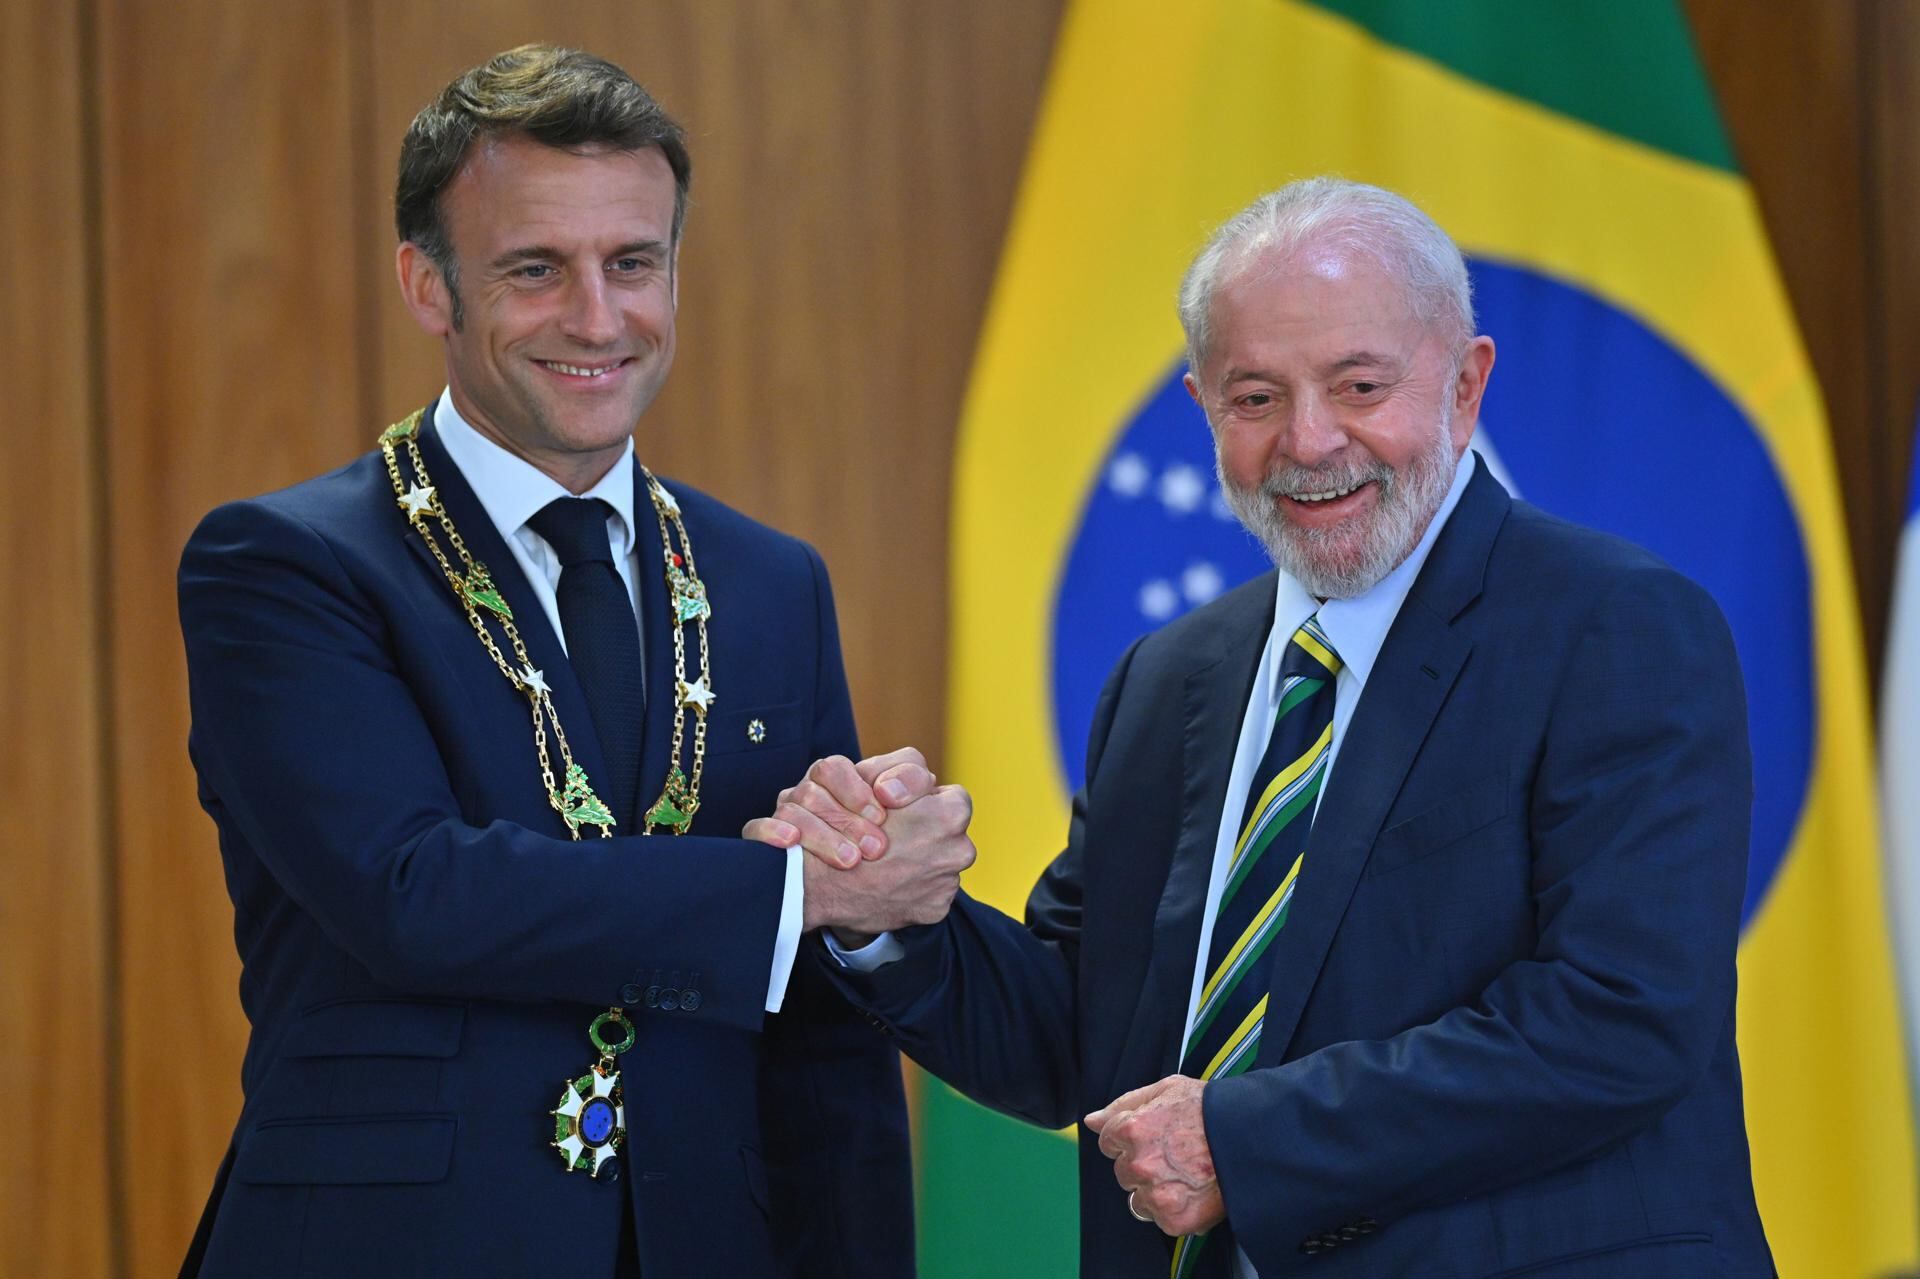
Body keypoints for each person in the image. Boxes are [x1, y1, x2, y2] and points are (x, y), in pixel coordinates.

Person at [759, 178, 1775, 1276]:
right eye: (1255, 398)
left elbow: (1620, 1017)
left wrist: (1241, 1138)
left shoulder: (1615, 625)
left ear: (1466, 383)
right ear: (1202, 405)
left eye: (1359, 384)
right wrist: (882, 909)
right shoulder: (1170, 677)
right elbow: (1081, 1037)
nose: (1309, 439)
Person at [176, 45, 912, 1279]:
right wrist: (800, 895)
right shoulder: (283, 565)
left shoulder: (775, 581)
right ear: (428, 285)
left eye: (634, 263)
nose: (597, 317)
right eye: (535, 269)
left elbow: (821, 1037)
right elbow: (412, 894)